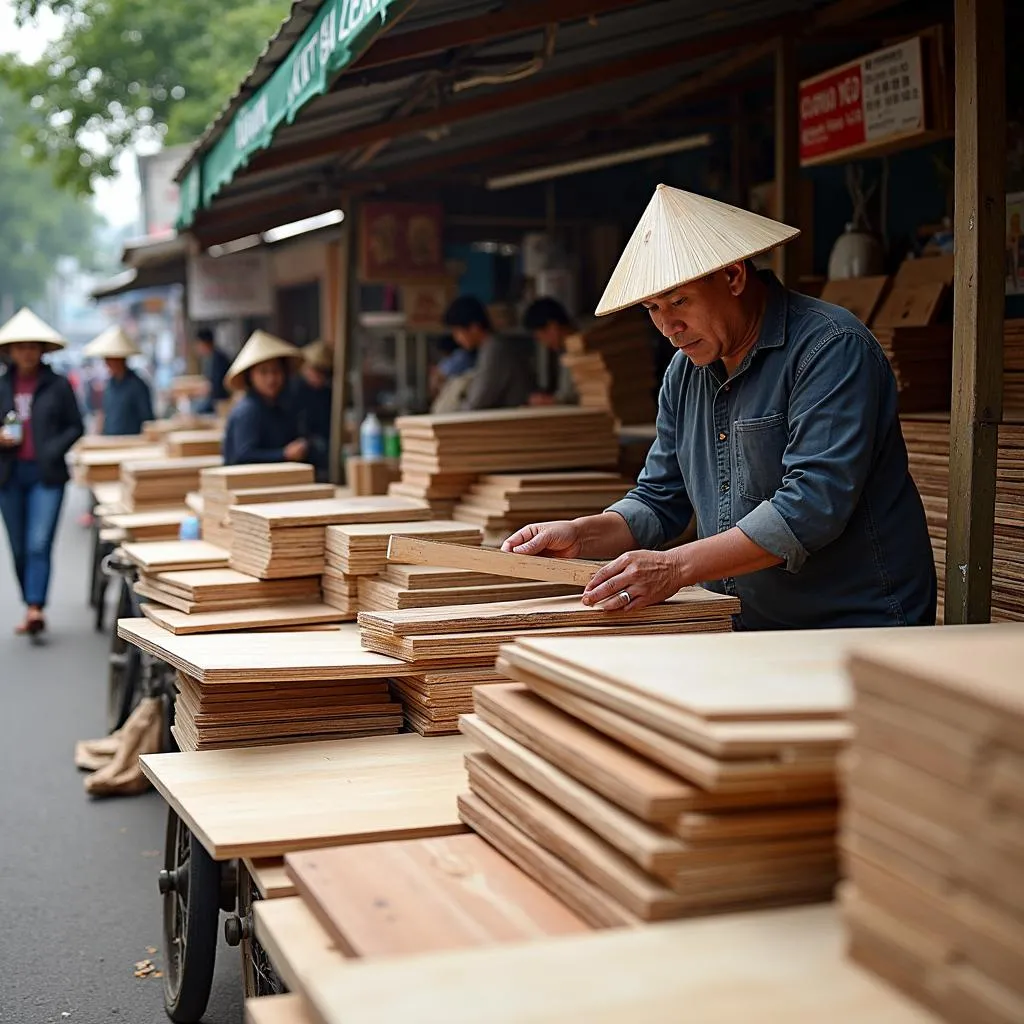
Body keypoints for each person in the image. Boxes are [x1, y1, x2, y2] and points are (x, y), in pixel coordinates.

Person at [504, 184, 936, 631]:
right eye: (653, 308)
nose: (668, 327)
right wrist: (584, 533)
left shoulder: (830, 348)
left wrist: (674, 566)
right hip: (747, 623)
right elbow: (659, 499)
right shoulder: (683, 373)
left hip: (855, 624)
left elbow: (811, 505)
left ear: (733, 277)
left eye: (679, 301)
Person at [0, 308, 84, 636]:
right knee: (19, 546)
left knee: (39, 542)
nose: (27, 352)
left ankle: (35, 607)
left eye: (33, 346)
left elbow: (75, 425)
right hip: (9, 475)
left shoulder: (58, 385)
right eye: (21, 347)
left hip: (46, 476)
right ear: (10, 351)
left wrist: (51, 449)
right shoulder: (2, 386)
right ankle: (30, 601)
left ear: (42, 350)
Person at [222, 330, 308, 466]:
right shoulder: (248, 410)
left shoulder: (279, 406)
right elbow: (243, 455)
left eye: (276, 371)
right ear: (251, 376)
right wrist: (283, 454)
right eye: (264, 372)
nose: (271, 379)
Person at [443, 296, 534, 411]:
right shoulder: (488, 348)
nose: (457, 339)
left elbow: (477, 402)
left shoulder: (494, 350)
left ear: (474, 327)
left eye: (458, 332)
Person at [82, 325, 154, 436]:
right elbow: (106, 413)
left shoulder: (137, 385)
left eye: (110, 360)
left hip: (132, 443)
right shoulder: (110, 384)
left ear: (120, 359)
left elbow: (148, 419)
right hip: (111, 440)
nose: (107, 364)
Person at [288, 339, 333, 481]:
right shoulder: (293, 390)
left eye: (324, 372)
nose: (320, 377)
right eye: (316, 370)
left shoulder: (327, 393)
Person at [523, 296, 578, 406]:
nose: (544, 344)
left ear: (553, 327)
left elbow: (571, 396)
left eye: (541, 337)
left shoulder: (580, 350)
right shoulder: (565, 351)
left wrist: (550, 401)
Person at [195, 327, 230, 414]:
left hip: (219, 402)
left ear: (204, 343)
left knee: (196, 410)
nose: (197, 348)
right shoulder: (211, 357)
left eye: (198, 344)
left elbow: (217, 387)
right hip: (214, 399)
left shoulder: (218, 359)